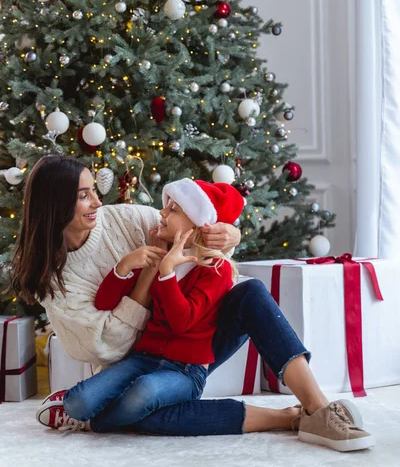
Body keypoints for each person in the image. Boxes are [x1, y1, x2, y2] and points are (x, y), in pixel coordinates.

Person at [12, 155, 374, 452]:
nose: (97, 202)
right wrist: (146, 273)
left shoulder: (125, 220)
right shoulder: (50, 278)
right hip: (133, 359)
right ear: (56, 204)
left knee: (250, 293)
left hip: (189, 352)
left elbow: (196, 237)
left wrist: (229, 233)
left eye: (94, 191)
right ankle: (290, 418)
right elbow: (106, 346)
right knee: (147, 414)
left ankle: (318, 408)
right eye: (83, 195)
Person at [42, 178, 248, 432]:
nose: (161, 213)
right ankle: (93, 412)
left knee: (143, 393)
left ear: (196, 225)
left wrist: (167, 273)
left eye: (173, 210)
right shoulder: (157, 252)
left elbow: (181, 322)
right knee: (76, 402)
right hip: (143, 359)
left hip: (185, 372)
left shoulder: (216, 269)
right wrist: (125, 265)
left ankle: (95, 422)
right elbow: (104, 302)